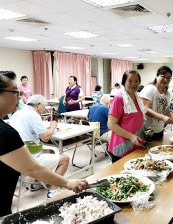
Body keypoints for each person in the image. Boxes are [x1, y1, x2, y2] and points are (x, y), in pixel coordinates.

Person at [0, 71, 87, 217]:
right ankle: (53, 190)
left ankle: (38, 184)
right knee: (63, 158)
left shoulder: (16, 115)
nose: (20, 96)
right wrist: (67, 183)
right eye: (16, 92)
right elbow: (32, 168)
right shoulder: (5, 132)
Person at [10, 95, 71, 198]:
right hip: (29, 160)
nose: (44, 109)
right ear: (38, 104)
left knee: (43, 150)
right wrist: (53, 127)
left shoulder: (17, 113)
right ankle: (53, 191)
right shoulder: (33, 114)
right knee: (65, 159)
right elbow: (45, 138)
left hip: (15, 158)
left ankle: (37, 183)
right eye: (44, 106)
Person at [107, 70, 146, 163]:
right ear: (124, 82)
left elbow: (133, 120)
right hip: (122, 146)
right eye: (130, 81)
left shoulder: (137, 98)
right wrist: (131, 136)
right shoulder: (119, 98)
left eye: (136, 81)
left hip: (136, 144)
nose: (134, 84)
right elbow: (111, 124)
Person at [140, 66, 173, 139]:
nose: (165, 80)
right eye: (163, 76)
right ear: (157, 76)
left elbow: (167, 112)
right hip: (147, 130)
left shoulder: (167, 94)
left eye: (168, 78)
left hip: (159, 130)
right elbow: (145, 109)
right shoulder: (150, 89)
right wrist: (162, 117)